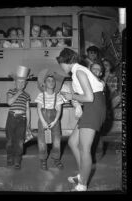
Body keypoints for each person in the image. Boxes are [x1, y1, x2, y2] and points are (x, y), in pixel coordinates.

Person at [56, 48, 106, 191]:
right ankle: (82, 174)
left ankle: (82, 185)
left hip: (94, 107)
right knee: (72, 142)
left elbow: (89, 97)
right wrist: (74, 100)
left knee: (85, 148)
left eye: (61, 64)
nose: (61, 67)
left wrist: (72, 97)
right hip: (92, 106)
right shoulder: (77, 71)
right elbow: (88, 97)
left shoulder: (79, 71)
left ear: (66, 62)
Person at [35, 69, 65, 170]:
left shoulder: (58, 96)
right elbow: (39, 109)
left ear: (55, 83)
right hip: (43, 120)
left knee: (57, 140)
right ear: (44, 83)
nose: (51, 82)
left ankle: (56, 158)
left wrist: (55, 121)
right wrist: (43, 122)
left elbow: (59, 110)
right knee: (42, 141)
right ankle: (43, 159)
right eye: (48, 80)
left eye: (52, 81)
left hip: (55, 121)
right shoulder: (40, 95)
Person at [6, 66, 31, 169]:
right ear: (14, 83)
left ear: (25, 84)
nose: (21, 84)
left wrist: (28, 123)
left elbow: (28, 109)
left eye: (23, 82)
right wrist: (18, 93)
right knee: (10, 140)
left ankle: (18, 159)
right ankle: (9, 156)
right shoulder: (11, 91)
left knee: (20, 141)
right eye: (19, 82)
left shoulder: (27, 95)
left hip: (22, 119)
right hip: (12, 118)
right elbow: (9, 102)